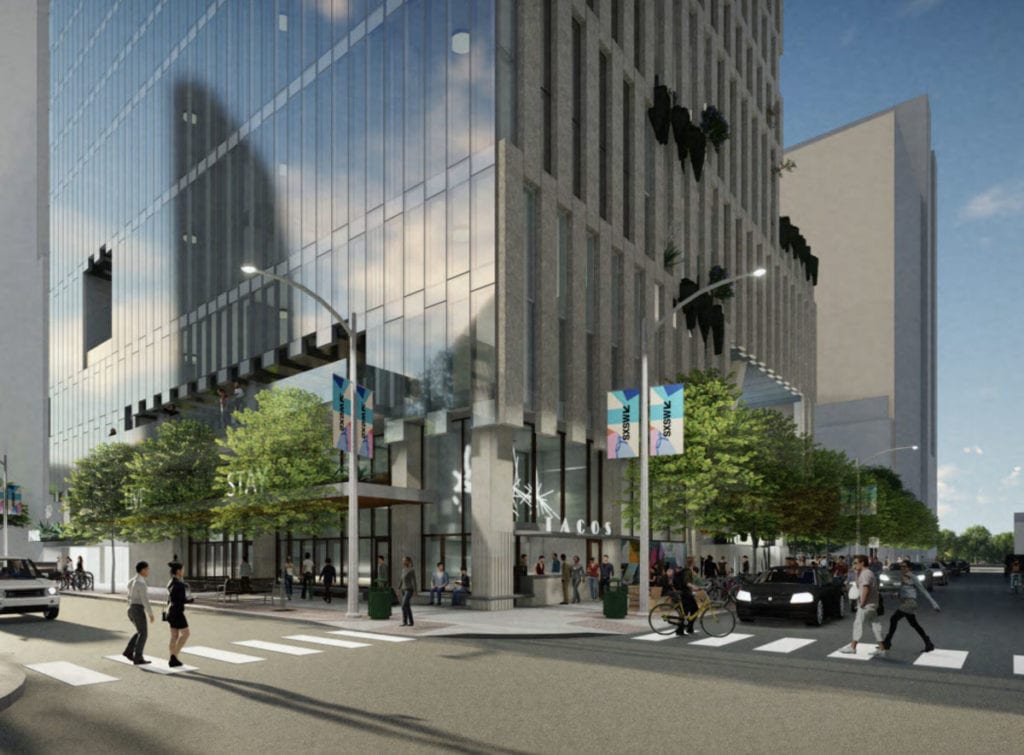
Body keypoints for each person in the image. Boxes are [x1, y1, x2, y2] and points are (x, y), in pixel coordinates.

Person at [882, 560, 939, 653]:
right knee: (914, 624)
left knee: (893, 619)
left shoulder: (913, 577)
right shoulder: (904, 577)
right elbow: (905, 591)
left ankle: (887, 642)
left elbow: (923, 591)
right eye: (901, 566)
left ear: (909, 568)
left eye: (904, 566)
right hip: (906, 602)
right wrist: (896, 594)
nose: (902, 568)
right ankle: (928, 643)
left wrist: (934, 604)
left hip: (910, 603)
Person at [840, 555, 886, 657]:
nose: (854, 565)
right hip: (872, 604)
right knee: (875, 625)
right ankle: (882, 649)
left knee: (858, 624)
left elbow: (866, 589)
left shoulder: (866, 574)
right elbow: (858, 585)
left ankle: (852, 647)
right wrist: (856, 574)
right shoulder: (866, 573)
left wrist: (862, 603)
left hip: (867, 605)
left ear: (862, 563)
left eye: (856, 563)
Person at [123, 561, 155, 665]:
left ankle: (128, 651)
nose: (148, 571)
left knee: (140, 631)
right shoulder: (141, 584)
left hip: (130, 608)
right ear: (142, 570)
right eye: (147, 569)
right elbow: (145, 600)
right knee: (143, 633)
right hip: (137, 609)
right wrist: (150, 614)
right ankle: (138, 657)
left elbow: (128, 594)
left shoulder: (132, 581)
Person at [166, 562, 191, 667]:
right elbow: (182, 600)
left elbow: (171, 598)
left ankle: (173, 658)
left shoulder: (170, 582)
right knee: (186, 634)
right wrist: (190, 600)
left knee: (174, 636)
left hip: (170, 611)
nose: (183, 572)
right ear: (178, 571)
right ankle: (173, 657)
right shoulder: (180, 584)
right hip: (178, 612)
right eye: (182, 570)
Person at [400, 557, 417, 626]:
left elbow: (414, 580)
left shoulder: (411, 570)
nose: (403, 562)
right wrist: (399, 588)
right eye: (403, 561)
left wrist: (415, 591)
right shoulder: (403, 570)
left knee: (403, 605)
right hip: (403, 589)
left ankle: (405, 621)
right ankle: (409, 622)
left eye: (404, 561)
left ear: (408, 561)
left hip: (409, 589)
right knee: (407, 606)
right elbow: (401, 580)